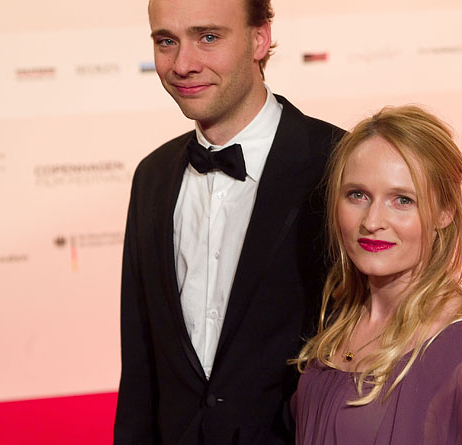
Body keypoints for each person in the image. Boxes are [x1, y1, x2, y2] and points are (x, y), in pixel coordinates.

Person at [114, 0, 344, 443]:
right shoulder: (152, 177)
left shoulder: (336, 163)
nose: (182, 64)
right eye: (166, 41)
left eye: (208, 37)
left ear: (260, 38)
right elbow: (141, 362)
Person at [291, 105, 462, 444]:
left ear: (444, 211)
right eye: (357, 195)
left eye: (402, 200)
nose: (372, 221)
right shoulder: (336, 319)